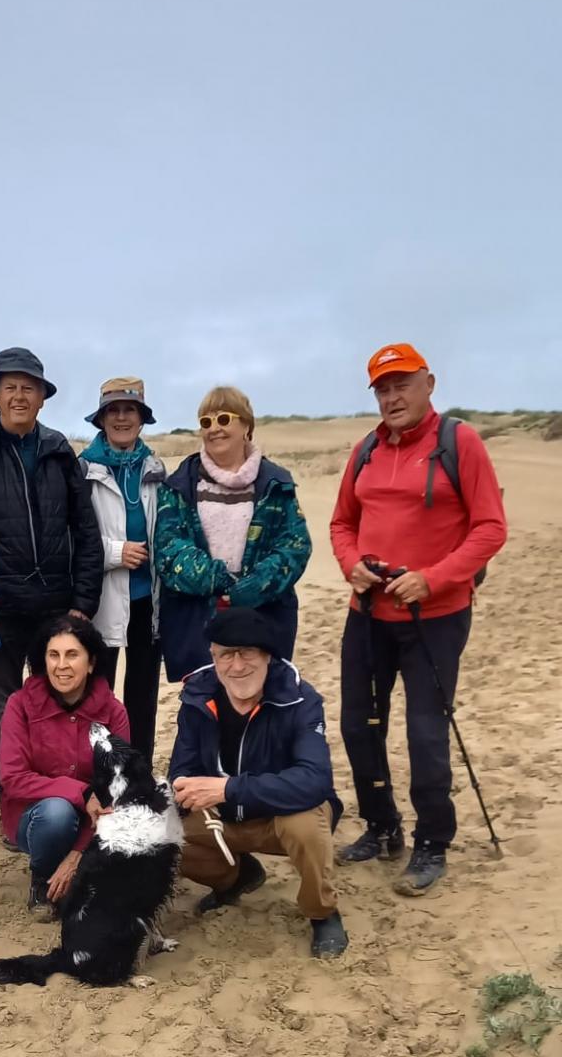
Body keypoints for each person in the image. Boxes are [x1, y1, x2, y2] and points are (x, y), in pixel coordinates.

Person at [330, 343, 507, 895]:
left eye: (401, 384)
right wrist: (352, 564)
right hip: (368, 611)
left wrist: (433, 577)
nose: (392, 396)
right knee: (359, 725)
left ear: (429, 383)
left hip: (436, 616)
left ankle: (433, 842)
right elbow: (342, 524)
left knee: (426, 733)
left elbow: (490, 528)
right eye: (382, 388)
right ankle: (382, 828)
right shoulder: (365, 450)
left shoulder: (460, 443)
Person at [0, 348, 104, 797]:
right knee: (5, 712)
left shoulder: (58, 451)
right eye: (10, 387)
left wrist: (83, 604)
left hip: (58, 612)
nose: (19, 396)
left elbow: (85, 531)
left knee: (62, 706)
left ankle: (65, 796)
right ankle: (15, 805)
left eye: (28, 388)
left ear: (42, 397)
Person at [169, 608, 347, 958]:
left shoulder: (301, 699)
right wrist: (182, 787)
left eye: (247, 653)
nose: (237, 666)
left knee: (305, 825)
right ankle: (236, 878)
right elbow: (181, 768)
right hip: (221, 817)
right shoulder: (196, 695)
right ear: (213, 657)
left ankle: (322, 911)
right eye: (226, 654)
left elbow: (315, 780)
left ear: (268, 655)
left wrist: (227, 788)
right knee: (165, 832)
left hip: (279, 814)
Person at [154, 385, 311, 682]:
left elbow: (295, 546)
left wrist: (249, 588)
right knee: (204, 712)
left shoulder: (277, 483)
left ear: (246, 426)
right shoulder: (178, 485)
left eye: (224, 419)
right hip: (199, 625)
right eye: (206, 422)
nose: (215, 429)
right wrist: (217, 580)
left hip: (263, 619)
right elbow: (168, 549)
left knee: (260, 713)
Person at [0, 615, 129, 915]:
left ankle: (75, 869)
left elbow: (116, 788)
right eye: (53, 655)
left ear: (92, 662)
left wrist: (77, 854)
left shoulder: (113, 712)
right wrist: (81, 793)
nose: (61, 665)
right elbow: (13, 778)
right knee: (56, 812)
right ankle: (42, 878)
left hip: (97, 820)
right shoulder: (19, 705)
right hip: (36, 817)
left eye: (72, 655)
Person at [80, 378, 165, 764]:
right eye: (113, 410)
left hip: (149, 601)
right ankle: (101, 771)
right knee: (99, 695)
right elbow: (71, 537)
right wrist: (115, 552)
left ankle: (139, 770)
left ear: (141, 418)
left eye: (129, 410)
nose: (121, 418)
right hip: (102, 602)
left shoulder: (155, 467)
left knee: (143, 696)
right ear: (101, 419)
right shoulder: (82, 469)